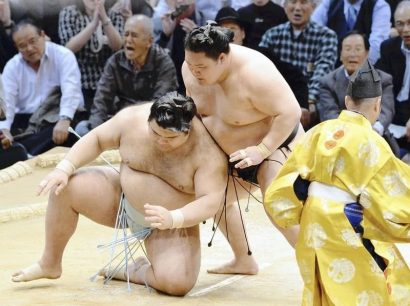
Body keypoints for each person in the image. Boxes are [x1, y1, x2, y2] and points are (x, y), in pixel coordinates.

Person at [11, 92, 228, 296]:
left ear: (187, 131)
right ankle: (49, 263)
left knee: (177, 283)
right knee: (63, 186)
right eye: (155, 133)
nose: (161, 141)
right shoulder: (132, 120)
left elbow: (210, 201)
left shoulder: (206, 152)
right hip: (120, 200)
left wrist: (174, 218)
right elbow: (97, 139)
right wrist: (64, 168)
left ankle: (132, 271)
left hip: (167, 224)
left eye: (170, 138)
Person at [264, 60, 410, 305]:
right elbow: (395, 193)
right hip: (347, 222)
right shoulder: (372, 142)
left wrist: (299, 211)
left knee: (326, 288)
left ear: (346, 101)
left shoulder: (318, 131)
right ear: (377, 105)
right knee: (378, 283)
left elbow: (289, 181)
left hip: (313, 221)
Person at [182, 24, 304, 274]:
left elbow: (291, 112)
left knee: (276, 207)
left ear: (222, 58)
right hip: (234, 155)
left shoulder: (254, 72)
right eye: (190, 65)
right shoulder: (191, 69)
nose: (194, 72)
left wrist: (261, 149)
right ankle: (243, 260)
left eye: (201, 67)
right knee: (211, 197)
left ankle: (323, 271)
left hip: (277, 145)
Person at [75, 14, 178, 135]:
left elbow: (160, 105)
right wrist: (95, 133)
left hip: (150, 124)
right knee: (82, 128)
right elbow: (101, 101)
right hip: (120, 121)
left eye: (134, 35)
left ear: (149, 41)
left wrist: (130, 120)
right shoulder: (115, 61)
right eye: (126, 34)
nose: (128, 40)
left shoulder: (164, 63)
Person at [0, 19, 83, 156]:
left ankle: (25, 152)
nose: (30, 49)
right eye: (22, 46)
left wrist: (64, 120)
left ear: (43, 35)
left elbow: (71, 90)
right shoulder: (12, 67)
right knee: (6, 142)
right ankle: (24, 151)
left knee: (66, 133)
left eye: (33, 41)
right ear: (16, 47)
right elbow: (7, 103)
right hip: (26, 123)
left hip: (57, 116)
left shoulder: (63, 55)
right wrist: (5, 131)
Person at [259, 0, 338, 129]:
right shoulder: (271, 35)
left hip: (311, 102)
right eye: (293, 2)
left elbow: (323, 71)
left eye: (303, 2)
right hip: (276, 101)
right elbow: (261, 71)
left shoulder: (327, 36)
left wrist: (308, 102)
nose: (297, 8)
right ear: (284, 7)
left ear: (313, 7)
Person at [317, 31, 395, 145]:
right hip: (339, 139)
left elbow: (386, 111)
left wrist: (374, 131)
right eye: (348, 49)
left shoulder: (383, 79)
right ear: (340, 54)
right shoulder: (327, 82)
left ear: (367, 53)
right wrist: (356, 136)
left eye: (358, 49)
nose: (352, 54)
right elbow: (330, 115)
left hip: (376, 137)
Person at [59, 0, 124, 110]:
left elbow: (118, 46)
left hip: (108, 81)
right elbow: (68, 48)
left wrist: (104, 19)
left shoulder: (114, 15)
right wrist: (93, 25)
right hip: (79, 81)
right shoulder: (68, 13)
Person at [375, 1, 410, 157]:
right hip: (393, 118)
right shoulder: (389, 47)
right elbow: (382, 86)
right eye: (400, 24)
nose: (406, 30)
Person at [311, 0, 391, 65]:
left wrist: (353, 69)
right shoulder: (329, 3)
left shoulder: (379, 5)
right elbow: (312, 34)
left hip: (368, 71)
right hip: (332, 69)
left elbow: (377, 45)